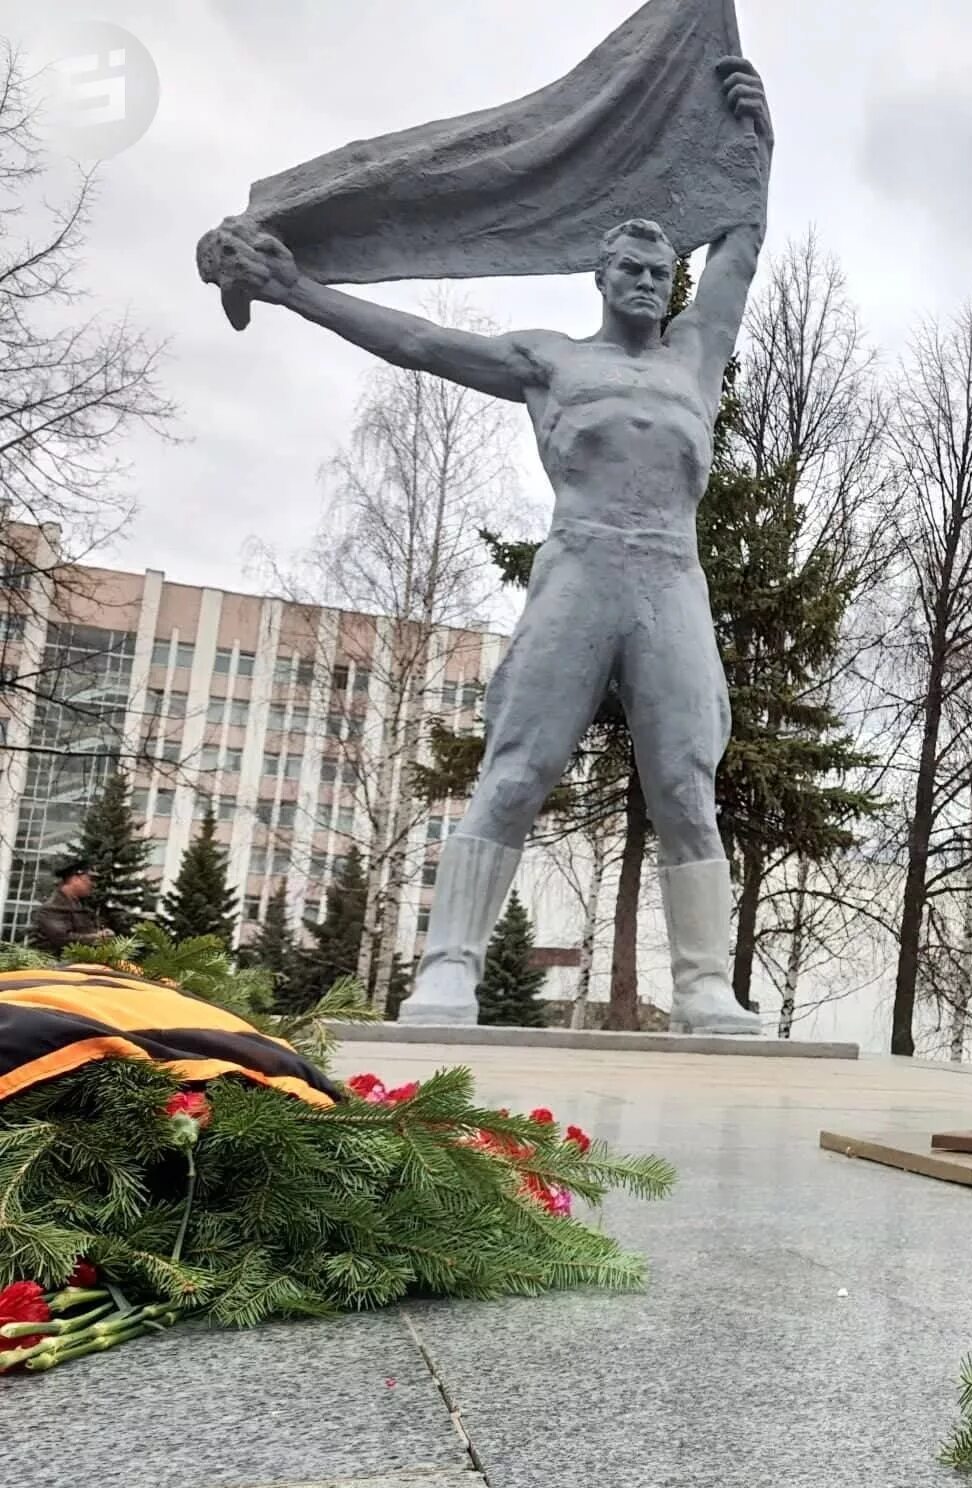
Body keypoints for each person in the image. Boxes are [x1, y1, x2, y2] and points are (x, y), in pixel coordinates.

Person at [201, 59, 775, 1035]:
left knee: (684, 780)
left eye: (658, 270)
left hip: (671, 578)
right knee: (518, 765)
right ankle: (450, 968)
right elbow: (418, 343)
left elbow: (744, 243)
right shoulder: (549, 360)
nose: (644, 280)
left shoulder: (695, 356)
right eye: (627, 269)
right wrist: (296, 289)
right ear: (600, 281)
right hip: (583, 568)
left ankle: (704, 988)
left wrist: (755, 145)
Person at [29, 861, 109, 957]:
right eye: (90, 879)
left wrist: (104, 934)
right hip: (54, 967)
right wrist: (98, 938)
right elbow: (63, 939)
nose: (94, 885)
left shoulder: (82, 906)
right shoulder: (51, 907)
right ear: (75, 879)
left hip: (76, 966)